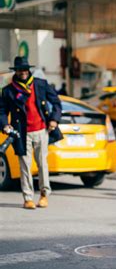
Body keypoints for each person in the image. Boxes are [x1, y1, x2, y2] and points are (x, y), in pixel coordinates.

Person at [0, 56, 63, 210]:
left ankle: (43, 195)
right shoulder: (9, 90)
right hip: (21, 133)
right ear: (16, 71)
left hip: (41, 130)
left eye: (25, 69)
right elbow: (1, 111)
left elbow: (56, 102)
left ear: (28, 70)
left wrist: (54, 120)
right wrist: (5, 125)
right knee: (25, 167)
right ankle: (28, 198)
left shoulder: (40, 85)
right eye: (19, 69)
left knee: (42, 164)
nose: (22, 72)